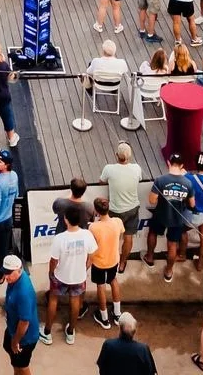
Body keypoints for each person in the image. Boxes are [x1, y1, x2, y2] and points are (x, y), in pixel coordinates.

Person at [41, 202, 97, 345]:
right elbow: (92, 256)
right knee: (75, 303)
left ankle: (47, 332)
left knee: (53, 300)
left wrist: (51, 273)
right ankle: (71, 332)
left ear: (65, 219)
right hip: (79, 277)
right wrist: (84, 268)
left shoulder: (60, 239)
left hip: (60, 276)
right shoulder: (87, 235)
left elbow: (53, 261)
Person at [144, 154, 193, 282]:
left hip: (160, 214)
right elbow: (192, 204)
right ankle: (169, 271)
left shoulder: (160, 180)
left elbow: (152, 200)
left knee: (153, 233)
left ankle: (149, 258)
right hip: (177, 218)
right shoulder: (188, 183)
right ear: (182, 166)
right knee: (172, 245)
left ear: (168, 162)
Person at [99, 143, 143, 272]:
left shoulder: (109, 169)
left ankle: (109, 261)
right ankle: (122, 263)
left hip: (115, 210)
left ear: (116, 155)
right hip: (132, 209)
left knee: (111, 237)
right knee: (128, 237)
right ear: (130, 156)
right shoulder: (136, 168)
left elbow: (102, 181)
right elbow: (139, 179)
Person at [88, 196, 125, 328]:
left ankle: (104, 318)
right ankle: (117, 314)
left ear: (96, 211)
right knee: (113, 281)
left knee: (101, 286)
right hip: (114, 260)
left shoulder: (93, 227)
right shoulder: (118, 222)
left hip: (99, 262)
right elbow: (121, 233)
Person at [0, 255, 39, 372]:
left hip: (24, 339)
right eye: (4, 272)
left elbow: (24, 323)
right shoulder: (15, 279)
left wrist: (15, 341)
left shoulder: (23, 293)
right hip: (13, 329)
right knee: (15, 362)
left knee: (22, 367)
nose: (6, 277)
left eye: (9, 273)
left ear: (19, 270)